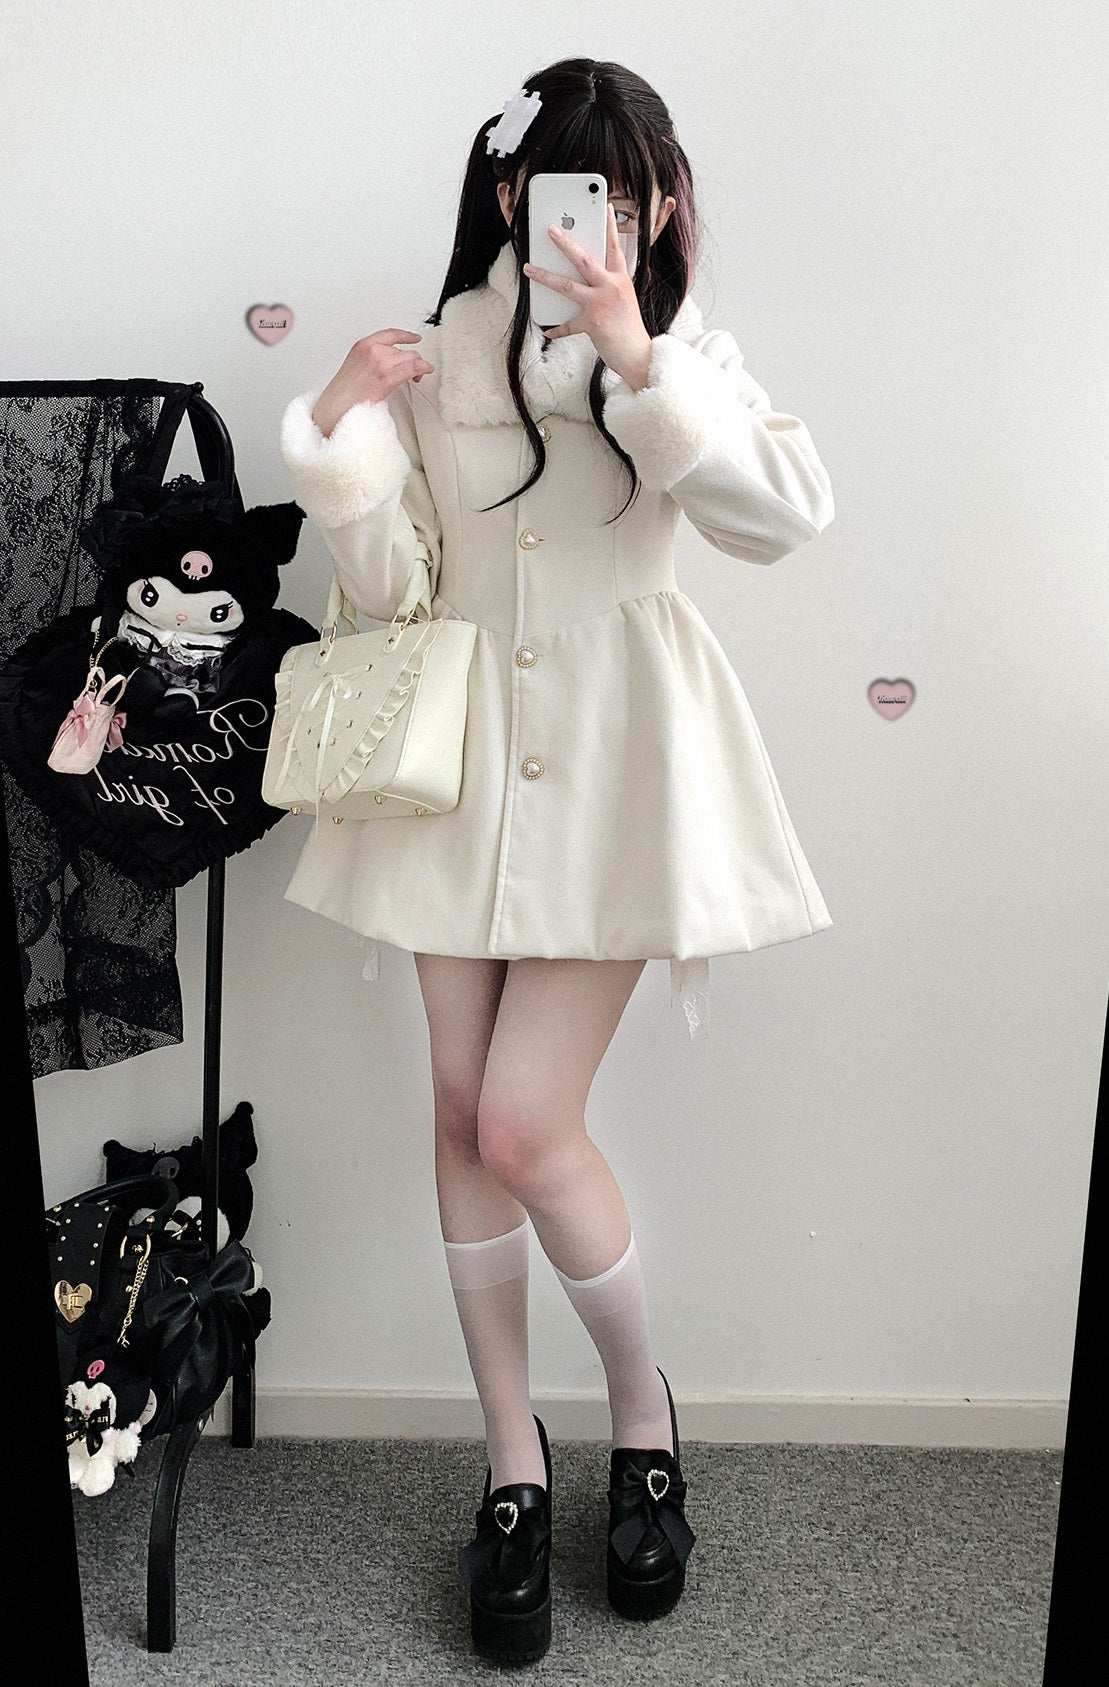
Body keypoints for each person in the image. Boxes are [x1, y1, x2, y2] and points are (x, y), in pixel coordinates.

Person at [278, 56, 835, 1666]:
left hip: (617, 776)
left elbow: (781, 516)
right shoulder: (437, 352)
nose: (597, 221)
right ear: (513, 194)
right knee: (460, 1116)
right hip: (453, 775)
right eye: (569, 189)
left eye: (626, 195)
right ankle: (512, 1462)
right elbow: (397, 586)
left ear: (653, 210)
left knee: (525, 1124)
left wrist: (635, 359)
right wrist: (341, 434)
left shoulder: (682, 357)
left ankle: (641, 1418)